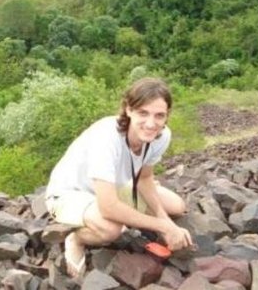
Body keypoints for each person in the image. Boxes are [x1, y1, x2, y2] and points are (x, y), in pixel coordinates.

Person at [45, 77, 193, 278]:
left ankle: (129, 218)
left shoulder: (161, 135)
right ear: (128, 110)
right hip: (68, 194)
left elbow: (144, 177)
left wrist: (164, 218)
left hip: (110, 188)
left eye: (159, 116)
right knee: (110, 230)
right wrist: (162, 226)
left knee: (176, 206)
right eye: (143, 113)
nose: (151, 124)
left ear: (167, 116)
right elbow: (108, 206)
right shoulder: (107, 137)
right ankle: (76, 239)